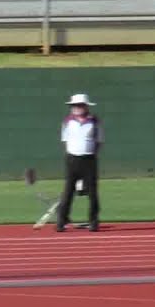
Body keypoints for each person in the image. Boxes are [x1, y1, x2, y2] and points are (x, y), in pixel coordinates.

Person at [57, 94, 102, 233]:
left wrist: (92, 154)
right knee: (68, 191)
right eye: (74, 105)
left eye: (79, 105)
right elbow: (65, 140)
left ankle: (93, 221)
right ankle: (61, 221)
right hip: (72, 159)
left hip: (89, 160)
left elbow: (99, 141)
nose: (76, 108)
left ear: (86, 106)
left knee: (92, 192)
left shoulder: (94, 121)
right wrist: (70, 156)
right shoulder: (67, 121)